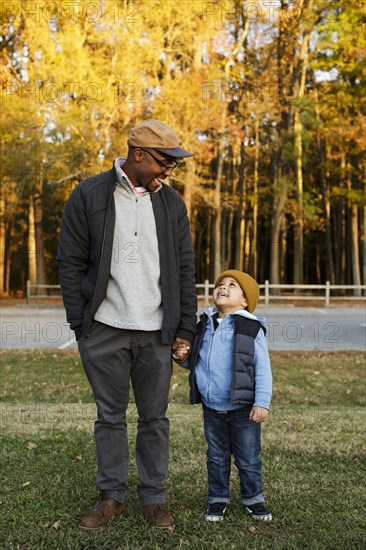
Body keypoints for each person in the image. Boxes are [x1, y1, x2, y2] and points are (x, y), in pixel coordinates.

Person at [57, 119, 197, 531]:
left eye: (173, 164)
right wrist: (78, 321)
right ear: (138, 154)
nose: (169, 170)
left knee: (155, 417)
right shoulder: (89, 194)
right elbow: (70, 261)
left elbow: (184, 269)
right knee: (110, 416)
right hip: (104, 328)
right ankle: (111, 496)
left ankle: (153, 500)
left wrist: (185, 327)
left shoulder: (172, 205)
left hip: (157, 331)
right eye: (164, 162)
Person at [174, 269, 272, 522]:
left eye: (232, 285)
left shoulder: (250, 327)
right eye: (220, 284)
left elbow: (262, 367)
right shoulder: (204, 324)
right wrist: (182, 358)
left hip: (243, 408)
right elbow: (196, 361)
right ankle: (217, 499)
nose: (223, 287)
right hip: (212, 408)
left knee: (248, 459)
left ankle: (254, 499)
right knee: (216, 457)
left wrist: (262, 402)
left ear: (245, 300)